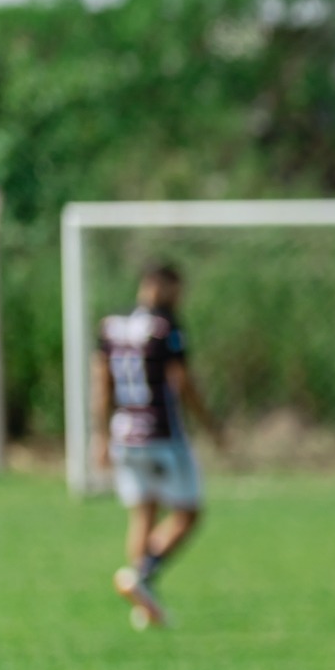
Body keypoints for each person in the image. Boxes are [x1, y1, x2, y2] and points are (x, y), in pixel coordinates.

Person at [93, 262, 221, 630]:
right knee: (188, 513)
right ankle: (143, 577)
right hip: (162, 435)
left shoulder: (111, 327)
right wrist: (210, 425)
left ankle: (143, 603)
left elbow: (102, 386)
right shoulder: (166, 328)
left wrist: (100, 436)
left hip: (125, 433)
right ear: (158, 286)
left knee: (143, 514)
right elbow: (182, 382)